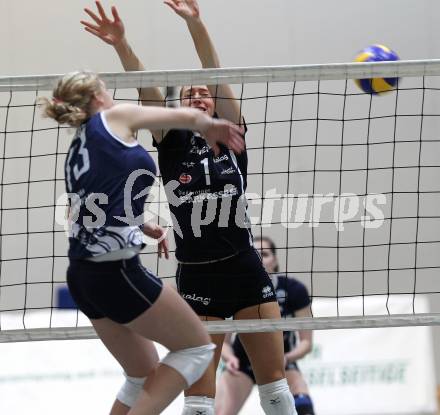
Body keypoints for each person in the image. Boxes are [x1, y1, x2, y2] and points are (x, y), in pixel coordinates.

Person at [81, 1, 298, 414]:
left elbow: (215, 72)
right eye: (187, 93)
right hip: (199, 278)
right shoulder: (170, 140)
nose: (198, 94)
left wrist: (196, 25)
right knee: (199, 399)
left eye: (204, 92)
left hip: (245, 270)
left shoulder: (232, 134)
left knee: (275, 387)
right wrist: (122, 44)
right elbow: (144, 84)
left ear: (216, 105)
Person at [39, 70, 245, 415]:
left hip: (82, 273)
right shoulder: (113, 116)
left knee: (141, 375)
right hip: (115, 271)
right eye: (105, 87)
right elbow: (183, 116)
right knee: (196, 348)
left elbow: (88, 206)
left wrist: (141, 222)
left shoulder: (80, 143)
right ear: (96, 97)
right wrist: (207, 124)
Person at [216, 236, 315, 415]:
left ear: (275, 260)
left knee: (303, 407)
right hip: (242, 363)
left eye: (265, 254)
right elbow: (225, 342)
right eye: (255, 254)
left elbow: (306, 343)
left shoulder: (294, 290)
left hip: (281, 360)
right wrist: (230, 358)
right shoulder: (234, 290)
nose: (260, 259)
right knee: (221, 412)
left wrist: (288, 358)